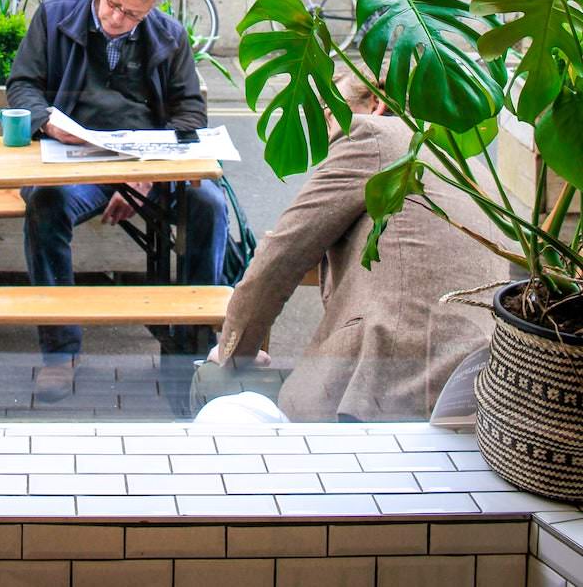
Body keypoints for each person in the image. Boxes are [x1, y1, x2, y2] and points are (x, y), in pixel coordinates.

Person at [190, 73, 510, 424]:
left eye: (329, 112)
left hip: (393, 377)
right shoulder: (460, 165)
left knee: (216, 398)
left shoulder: (372, 135)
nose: (325, 127)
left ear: (376, 104)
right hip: (483, 384)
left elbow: (282, 252)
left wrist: (232, 352)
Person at [6, 0, 229, 403]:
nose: (117, 18)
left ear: (151, 10)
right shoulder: (54, 17)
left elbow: (190, 112)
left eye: (133, 15)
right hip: (77, 161)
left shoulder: (169, 36)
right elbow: (22, 85)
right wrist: (47, 119)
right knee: (45, 206)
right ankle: (60, 353)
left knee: (209, 206)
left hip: (147, 166)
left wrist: (143, 176)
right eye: (113, 4)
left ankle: (195, 344)